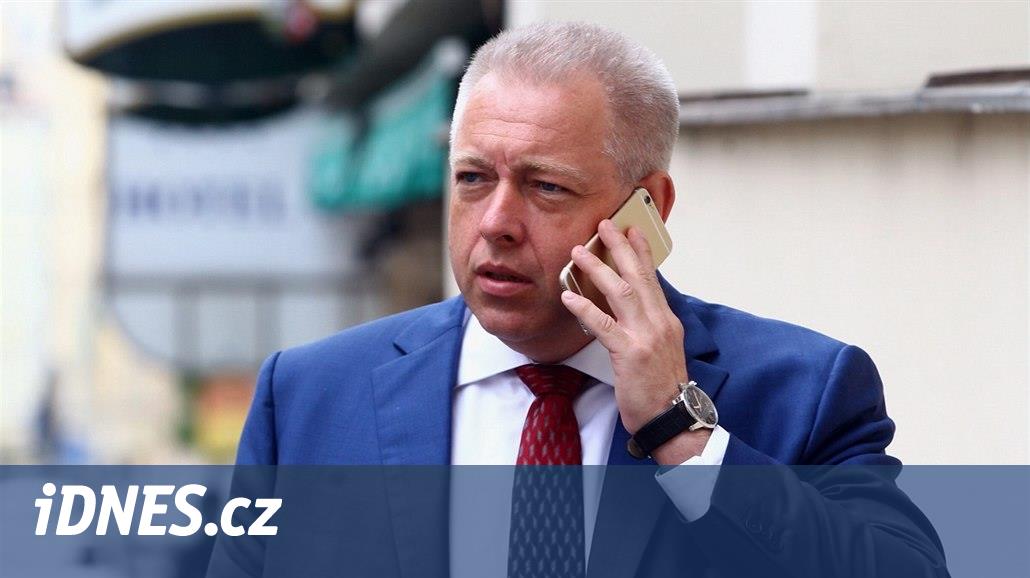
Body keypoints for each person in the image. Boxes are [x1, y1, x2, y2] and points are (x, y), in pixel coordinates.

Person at [230, 21, 948, 578]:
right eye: (474, 178)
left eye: (546, 187)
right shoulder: (308, 399)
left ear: (648, 208)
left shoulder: (801, 394)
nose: (496, 223)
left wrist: (682, 432)